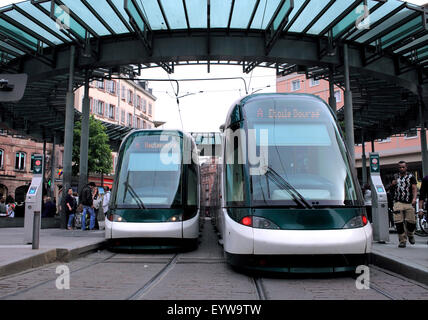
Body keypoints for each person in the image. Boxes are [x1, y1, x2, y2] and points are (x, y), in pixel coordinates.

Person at [392, 161, 417, 248]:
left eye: (403, 167)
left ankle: (410, 234)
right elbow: (390, 187)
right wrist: (392, 184)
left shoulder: (411, 177)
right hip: (398, 202)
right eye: (400, 167)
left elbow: (414, 189)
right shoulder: (395, 176)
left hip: (408, 202)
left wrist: (414, 198)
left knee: (411, 222)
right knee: (398, 223)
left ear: (406, 167)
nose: (401, 169)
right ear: (398, 168)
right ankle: (402, 240)